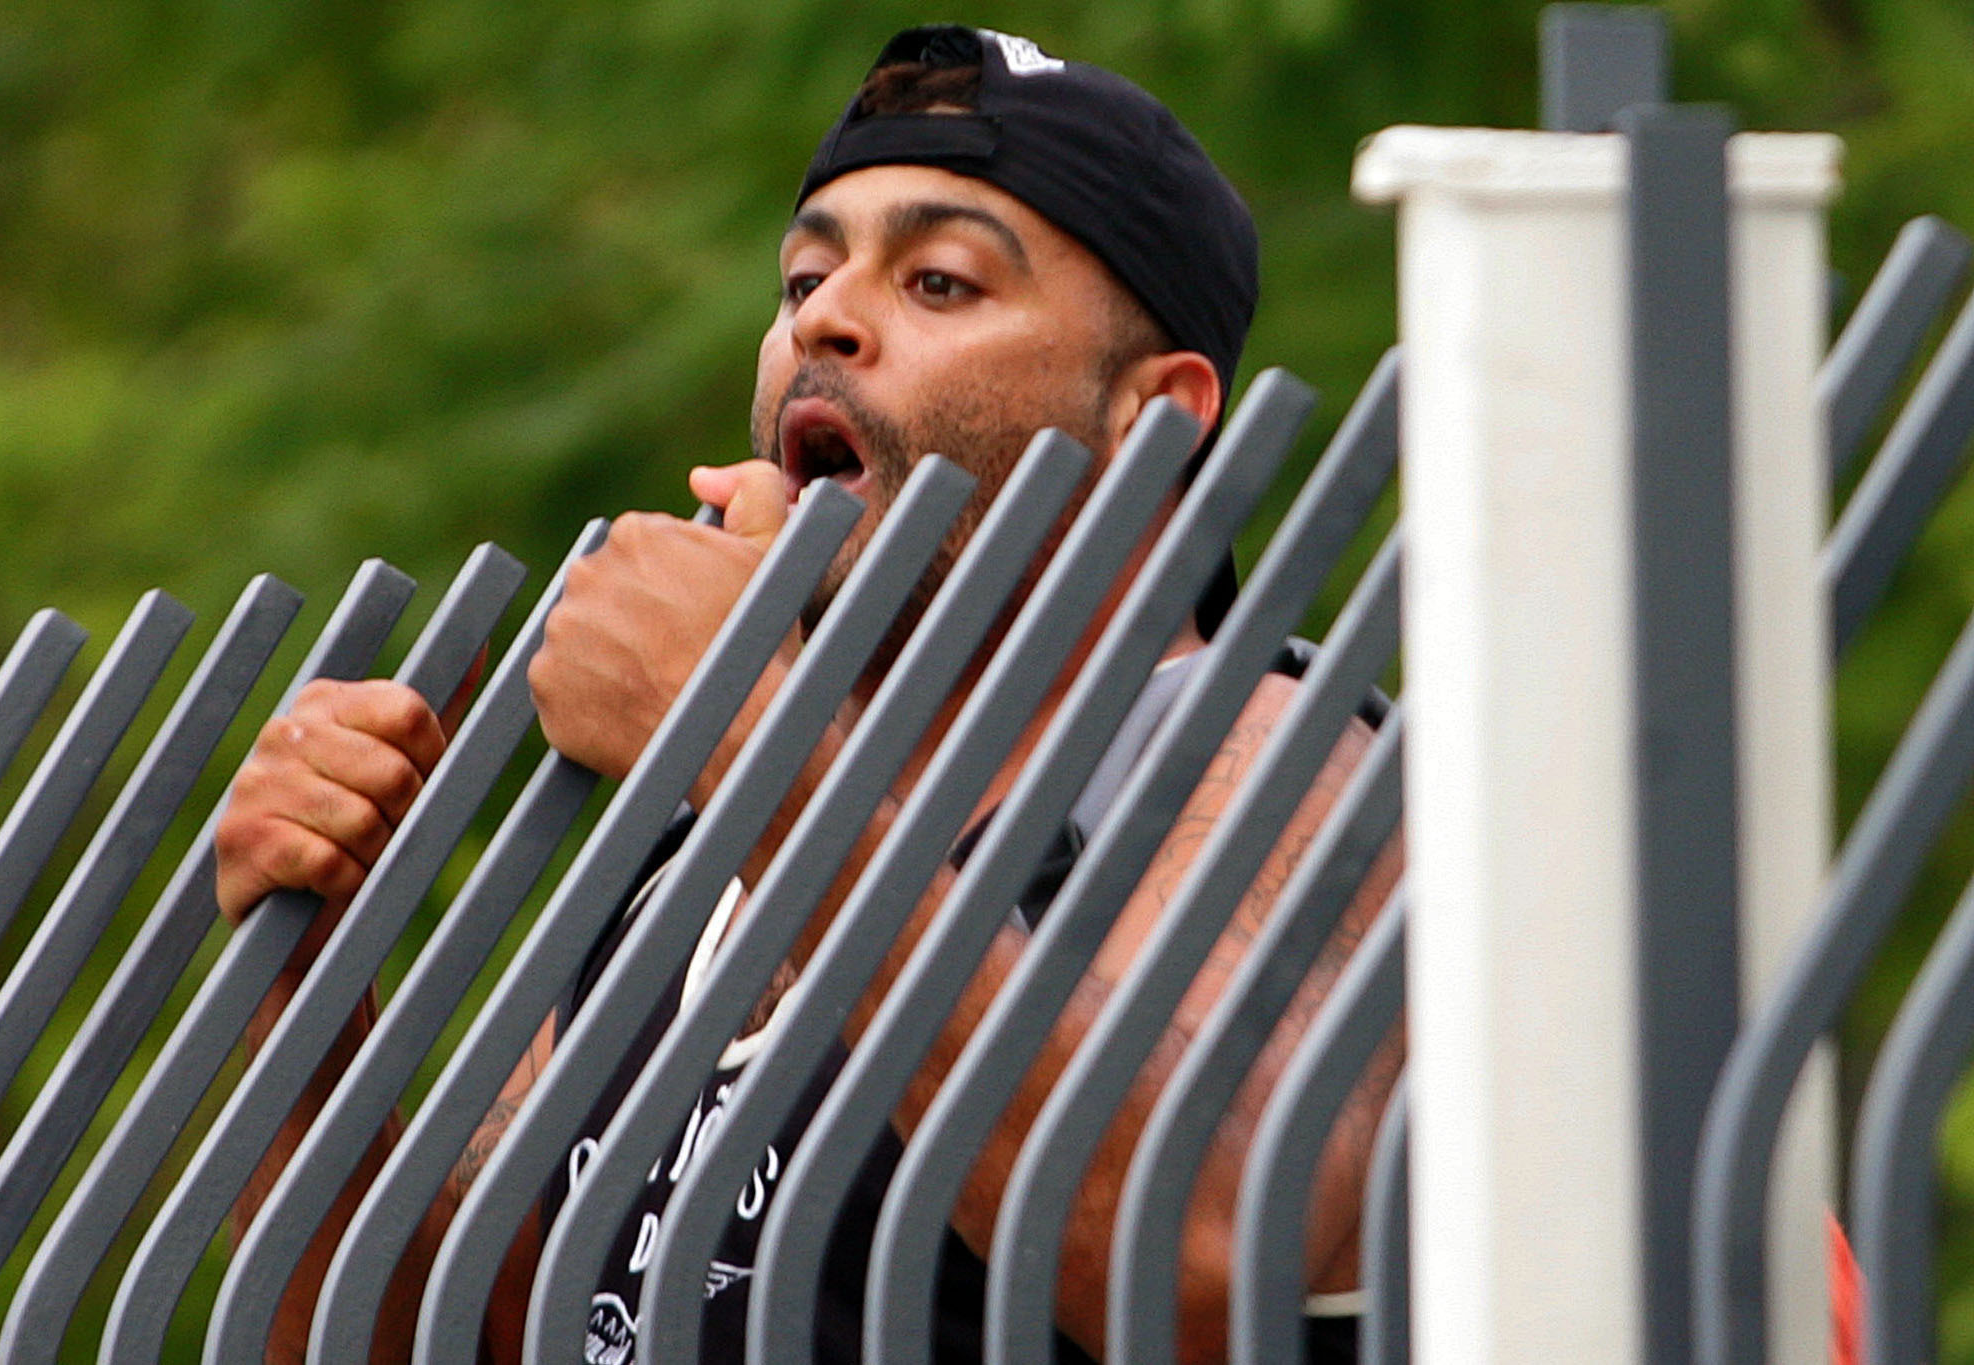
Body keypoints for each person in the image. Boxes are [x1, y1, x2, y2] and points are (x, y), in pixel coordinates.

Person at [215, 24, 1401, 1365]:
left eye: (940, 282)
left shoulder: (1276, 759)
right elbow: (447, 1329)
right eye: (803, 276)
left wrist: (749, 737)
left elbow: (1201, 1259)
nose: (823, 318)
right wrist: (308, 987)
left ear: (1157, 417)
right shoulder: (695, 862)